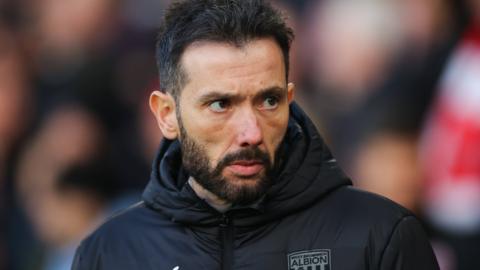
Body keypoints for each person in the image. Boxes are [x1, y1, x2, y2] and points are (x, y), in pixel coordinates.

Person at [72, 0, 439, 269]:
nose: (250, 132)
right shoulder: (110, 253)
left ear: (290, 99)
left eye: (268, 100)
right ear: (167, 115)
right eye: (220, 105)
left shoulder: (380, 236)